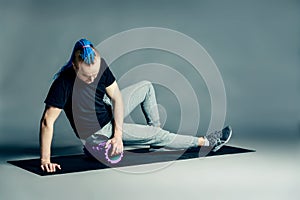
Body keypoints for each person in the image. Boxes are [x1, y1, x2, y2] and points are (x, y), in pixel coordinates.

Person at [40, 38, 232, 173]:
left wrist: (119, 136)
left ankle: (154, 140)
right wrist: (45, 160)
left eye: (95, 74)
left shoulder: (100, 67)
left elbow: (116, 97)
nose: (92, 78)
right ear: (74, 67)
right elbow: (47, 122)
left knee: (146, 86)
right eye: (86, 76)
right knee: (159, 136)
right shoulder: (63, 84)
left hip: (107, 112)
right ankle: (206, 142)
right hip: (97, 130)